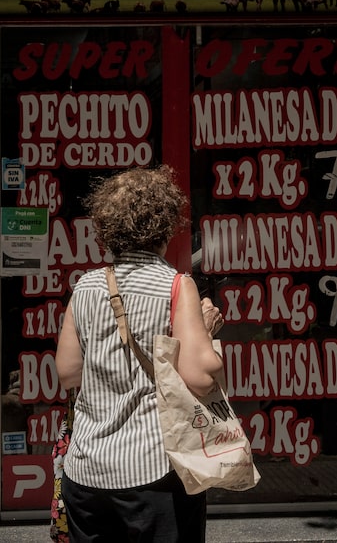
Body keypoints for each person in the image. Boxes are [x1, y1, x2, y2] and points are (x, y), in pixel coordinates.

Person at [55, 165, 225, 542]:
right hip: (153, 473)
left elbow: (67, 374)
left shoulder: (85, 287)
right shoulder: (176, 286)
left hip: (86, 473)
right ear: (165, 227)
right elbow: (200, 377)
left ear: (106, 230)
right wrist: (209, 333)